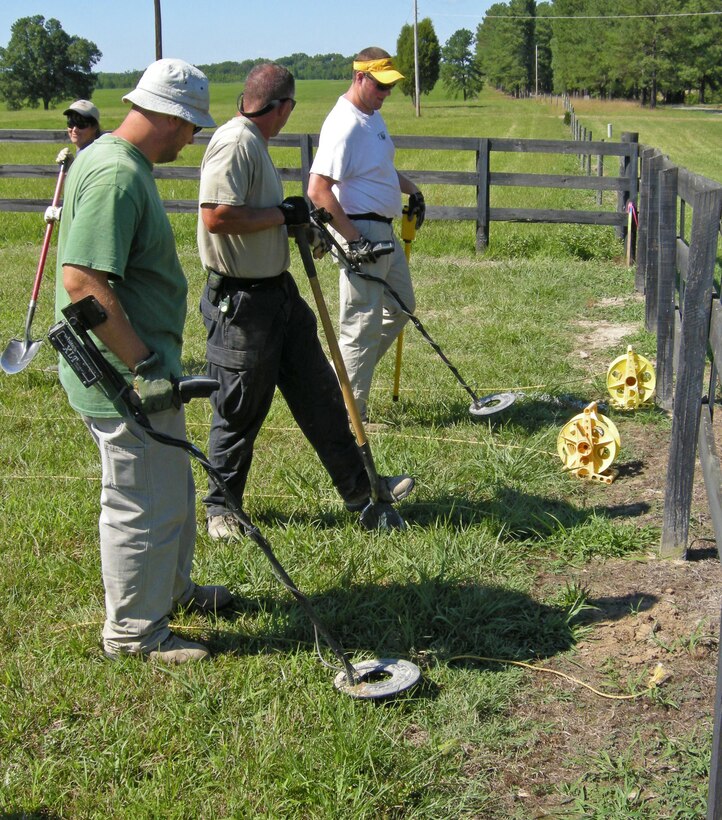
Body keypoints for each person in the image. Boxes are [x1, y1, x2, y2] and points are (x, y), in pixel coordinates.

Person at [54, 58, 231, 665]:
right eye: (192, 126)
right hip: (125, 379)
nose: (194, 137)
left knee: (171, 490)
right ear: (168, 117)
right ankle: (133, 633)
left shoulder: (112, 160)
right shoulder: (115, 176)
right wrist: (142, 367)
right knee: (140, 504)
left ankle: (172, 591)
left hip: (144, 373)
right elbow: (81, 280)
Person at [196, 62, 414, 540]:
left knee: (321, 398)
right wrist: (280, 213)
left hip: (278, 295)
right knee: (239, 410)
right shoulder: (236, 142)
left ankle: (361, 491)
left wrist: (297, 223)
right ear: (284, 107)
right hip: (241, 305)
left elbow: (256, 215)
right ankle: (221, 509)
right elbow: (217, 216)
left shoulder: (254, 142)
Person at [307, 48, 426, 424]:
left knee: (402, 305)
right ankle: (348, 419)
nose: (385, 94)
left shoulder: (371, 117)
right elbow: (318, 189)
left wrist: (413, 190)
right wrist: (354, 239)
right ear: (359, 77)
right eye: (379, 85)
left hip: (384, 231)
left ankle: (337, 379)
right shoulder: (344, 124)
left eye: (389, 87)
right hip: (361, 231)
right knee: (360, 327)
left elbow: (380, 170)